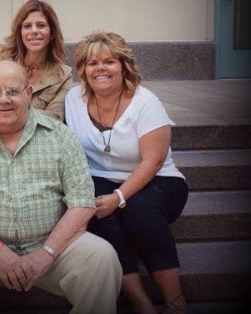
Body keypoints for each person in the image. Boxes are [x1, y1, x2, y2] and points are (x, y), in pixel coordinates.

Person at [0, 60, 122, 314]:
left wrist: (47, 253)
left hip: (51, 250)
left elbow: (81, 202)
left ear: (29, 93)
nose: (4, 100)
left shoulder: (60, 136)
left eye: (13, 91)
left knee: (102, 256)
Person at [64, 31, 189, 314]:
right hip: (99, 177)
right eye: (92, 63)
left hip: (157, 179)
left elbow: (153, 161)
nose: (100, 69)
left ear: (124, 66)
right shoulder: (74, 99)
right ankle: (141, 302)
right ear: (83, 69)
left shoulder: (145, 102)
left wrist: (119, 197)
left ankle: (175, 300)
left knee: (139, 212)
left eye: (109, 61)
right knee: (92, 211)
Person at [0, 0, 72, 121]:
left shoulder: (63, 75)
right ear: (20, 32)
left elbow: (55, 118)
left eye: (41, 25)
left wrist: (12, 110)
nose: (34, 31)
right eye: (27, 26)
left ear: (52, 33)